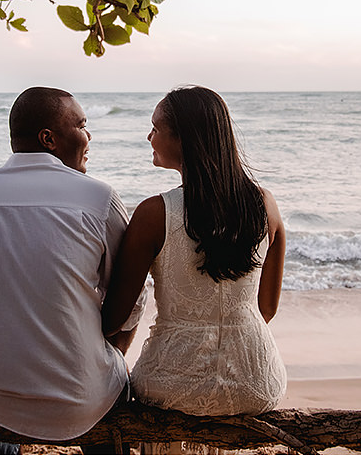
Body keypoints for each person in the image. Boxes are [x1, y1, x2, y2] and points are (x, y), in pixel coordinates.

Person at [0, 87, 144, 453]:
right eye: (82, 125)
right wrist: (110, 353)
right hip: (87, 399)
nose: (89, 137)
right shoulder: (98, 198)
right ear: (49, 138)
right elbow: (132, 300)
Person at [103, 86, 287, 420]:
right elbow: (267, 310)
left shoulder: (154, 213)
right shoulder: (266, 205)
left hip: (172, 382)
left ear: (183, 139)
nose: (149, 136)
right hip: (256, 381)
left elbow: (115, 318)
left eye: (156, 128)